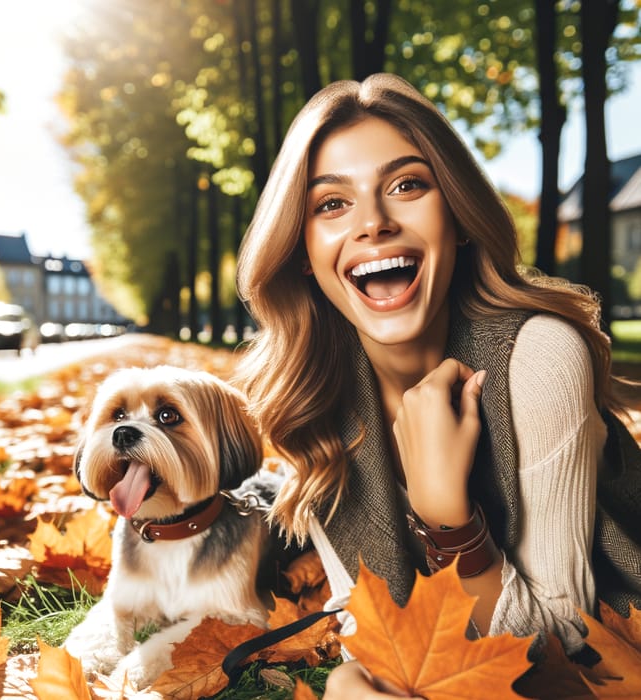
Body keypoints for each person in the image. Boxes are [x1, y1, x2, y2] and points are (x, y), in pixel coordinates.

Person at [234, 73, 641, 697]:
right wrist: (350, 677)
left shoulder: (538, 355)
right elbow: (375, 630)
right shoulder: (317, 405)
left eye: (407, 186)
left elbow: (561, 650)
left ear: (460, 217)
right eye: (332, 204)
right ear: (301, 251)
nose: (372, 223)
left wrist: (449, 522)